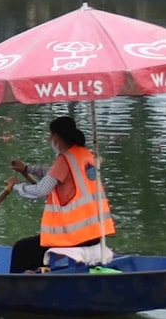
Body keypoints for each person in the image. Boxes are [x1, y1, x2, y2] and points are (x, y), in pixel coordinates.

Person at [7, 115, 115, 273]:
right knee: (32, 250)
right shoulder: (84, 155)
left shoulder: (65, 159)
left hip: (77, 237)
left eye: (50, 135)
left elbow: (40, 190)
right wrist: (27, 169)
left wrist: (16, 186)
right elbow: (51, 174)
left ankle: (15, 289)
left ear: (57, 136)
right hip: (95, 233)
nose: (49, 138)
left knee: (21, 249)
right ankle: (36, 275)